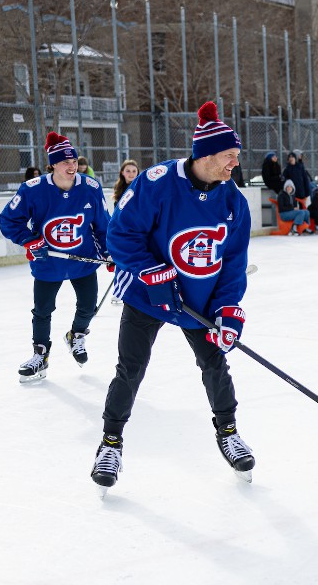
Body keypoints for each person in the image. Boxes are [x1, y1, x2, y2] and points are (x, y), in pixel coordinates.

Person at [92, 100, 255, 492]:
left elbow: (232, 262)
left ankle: (228, 432)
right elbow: (120, 234)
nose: (235, 163)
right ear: (206, 155)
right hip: (147, 295)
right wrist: (153, 272)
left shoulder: (233, 201)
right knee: (130, 368)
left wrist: (229, 310)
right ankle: (110, 442)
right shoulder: (155, 182)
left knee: (215, 364)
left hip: (199, 299)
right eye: (230, 156)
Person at [0, 132, 110, 382]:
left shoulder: (90, 187)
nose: (71, 166)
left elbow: (103, 225)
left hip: (83, 260)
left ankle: (77, 336)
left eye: (73, 161)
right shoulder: (33, 189)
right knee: (42, 310)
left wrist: (109, 252)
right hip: (48, 262)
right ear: (53, 164)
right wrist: (30, 240)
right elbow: (8, 220)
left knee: (88, 306)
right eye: (64, 162)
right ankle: (40, 356)